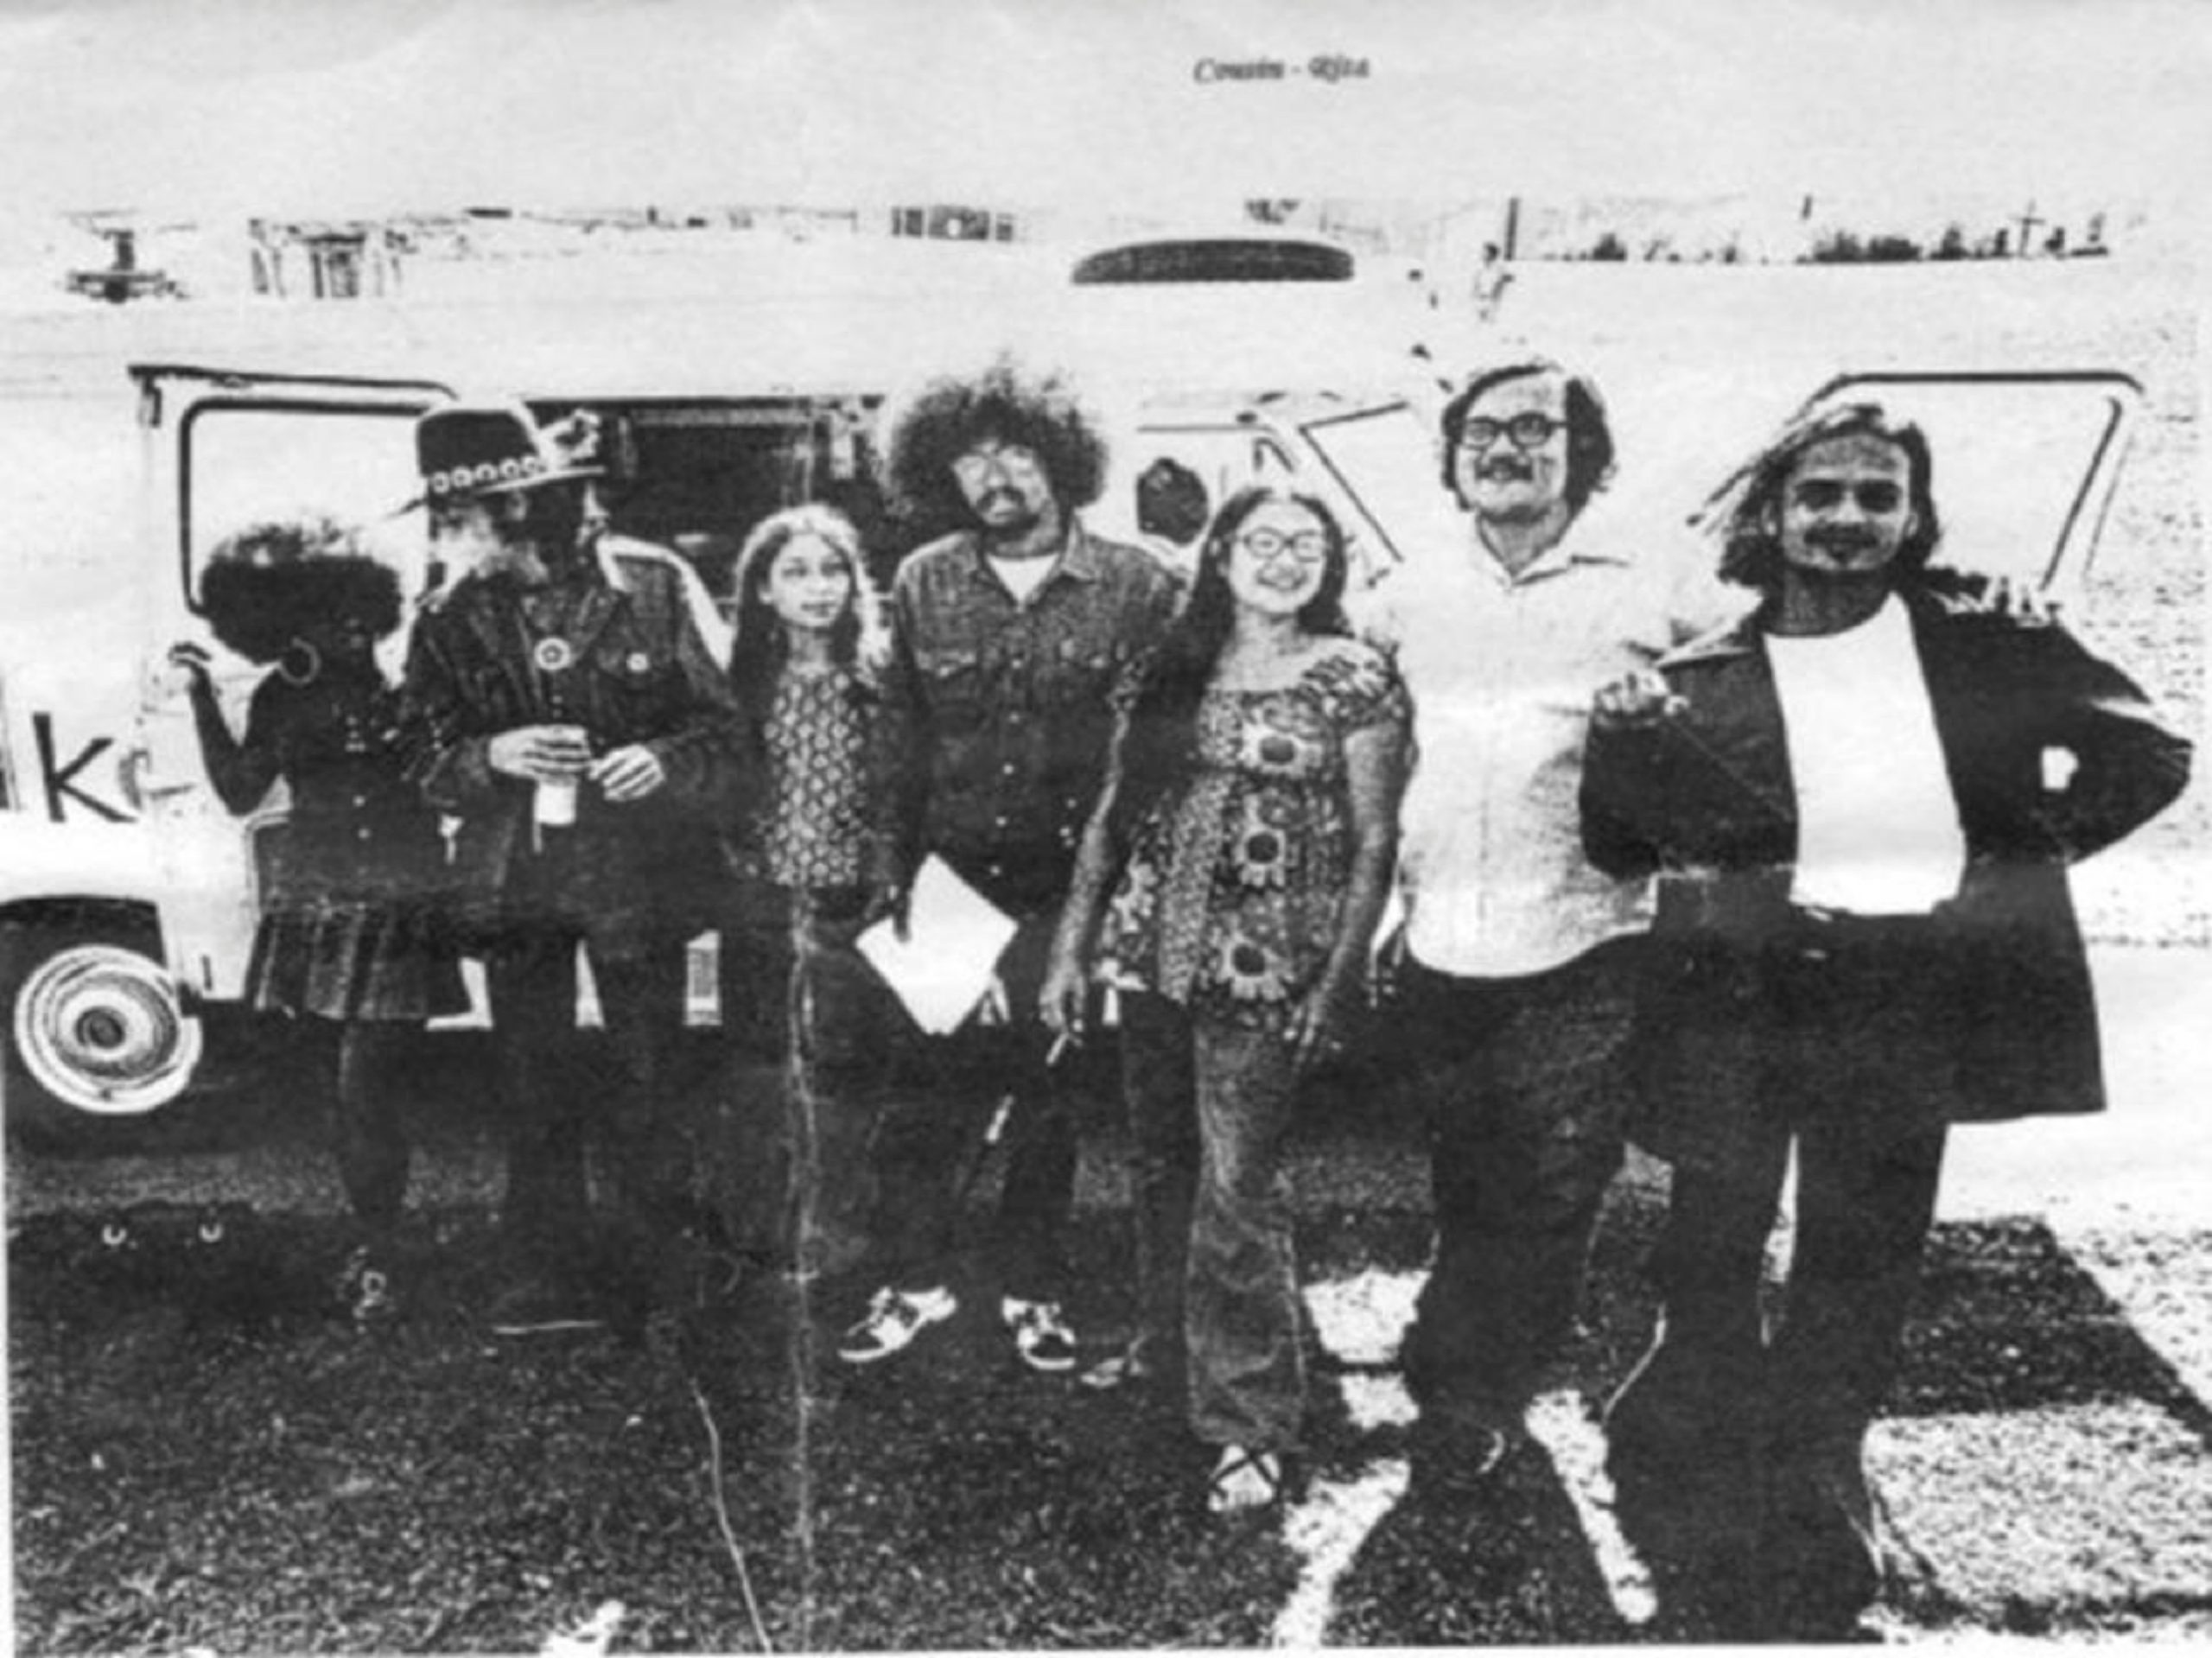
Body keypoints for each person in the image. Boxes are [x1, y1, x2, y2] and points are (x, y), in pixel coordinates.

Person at [1580, 403, 2191, 1637]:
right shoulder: (1702, 675)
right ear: (1772, 513)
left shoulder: (1990, 641)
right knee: (1713, 1226)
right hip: (1747, 990)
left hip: (1910, 989)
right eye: (1821, 494)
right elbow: (1615, 841)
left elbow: (2152, 751)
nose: (1848, 518)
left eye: (1877, 494)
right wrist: (1624, 739)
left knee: (1861, 1248)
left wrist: (2019, 857)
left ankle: (1820, 1464)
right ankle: (1681, 1403)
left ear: (1914, 515)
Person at [1369, 359, 1738, 1487]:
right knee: (1463, 1163)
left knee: (1549, 1180)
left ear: (1582, 451)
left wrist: (1677, 716)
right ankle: (1458, 1343)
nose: (1508, 448)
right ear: (1452, 455)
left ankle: (1477, 1394)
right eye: (1485, 431)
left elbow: (1774, 653)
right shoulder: (1408, 585)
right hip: (1437, 935)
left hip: (1588, 930)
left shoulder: (1655, 575)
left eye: (1539, 429)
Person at [1044, 486, 1409, 1515]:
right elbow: (1114, 818)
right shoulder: (1173, 662)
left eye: (1309, 543)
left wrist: (1339, 977)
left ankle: (1250, 1417)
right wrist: (1071, 948)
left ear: (1332, 563)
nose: (1285, 559)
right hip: (1152, 955)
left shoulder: (1354, 678)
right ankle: (1173, 1353)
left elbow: (1374, 842)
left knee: (1238, 1189)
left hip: (1270, 968)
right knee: (1163, 1163)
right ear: (1222, 554)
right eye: (1263, 540)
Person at [838, 355, 1181, 1374]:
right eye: (972, 458)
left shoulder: (1139, 582)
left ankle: (1034, 1285)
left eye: (1017, 452)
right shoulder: (923, 577)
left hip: (1071, 883)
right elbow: (896, 741)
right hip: (946, 874)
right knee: (923, 1092)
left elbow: (1159, 751)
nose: (995, 477)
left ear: (1063, 456)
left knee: (1050, 1094)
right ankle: (915, 1278)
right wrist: (891, 882)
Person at [399, 398, 743, 1337]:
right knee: (529, 1075)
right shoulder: (450, 614)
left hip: (637, 873)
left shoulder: (653, 584)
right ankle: (546, 1271)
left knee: (650, 1067)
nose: (462, 539)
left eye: (476, 519)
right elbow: (416, 751)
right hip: (517, 882)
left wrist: (663, 762)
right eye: (454, 523)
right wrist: (491, 757)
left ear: (532, 504)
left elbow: (725, 725)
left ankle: (663, 1266)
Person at [173, 515, 467, 1322]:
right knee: (343, 1096)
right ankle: (377, 1240)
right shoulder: (280, 696)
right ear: (281, 624)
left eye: (352, 618)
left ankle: (382, 1255)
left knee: (365, 1089)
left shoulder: (413, 686)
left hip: (398, 904)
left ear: (373, 613)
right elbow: (239, 790)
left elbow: (450, 782)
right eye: (316, 620)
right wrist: (202, 697)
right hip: (320, 903)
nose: (341, 634)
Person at [716, 503, 898, 1282]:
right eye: (796, 572)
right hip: (762, 905)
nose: (819, 588)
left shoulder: (884, 681)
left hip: (852, 908)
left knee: (844, 1075)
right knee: (762, 1072)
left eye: (834, 571)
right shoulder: (738, 690)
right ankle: (765, 1230)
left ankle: (840, 1234)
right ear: (762, 591)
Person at [1471, 243, 1514, 325]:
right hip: (1480, 297)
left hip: (1493, 299)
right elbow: (1476, 282)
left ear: (1492, 254)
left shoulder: (1499, 268)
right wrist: (1475, 293)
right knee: (1479, 321)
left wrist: (1502, 281)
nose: (1482, 255)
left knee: (1491, 321)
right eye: (1482, 252)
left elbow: (1509, 278)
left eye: (1485, 252)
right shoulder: (1480, 268)